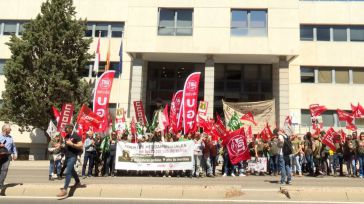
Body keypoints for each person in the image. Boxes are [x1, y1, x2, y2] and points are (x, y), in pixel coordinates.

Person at [57, 124, 84, 197]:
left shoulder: (76, 136)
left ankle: (65, 189)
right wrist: (60, 147)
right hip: (67, 156)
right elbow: (66, 147)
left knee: (68, 171)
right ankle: (78, 182)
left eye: (66, 128)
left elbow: (81, 145)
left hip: (73, 156)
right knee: (72, 170)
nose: (65, 129)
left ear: (71, 128)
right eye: (65, 128)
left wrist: (72, 144)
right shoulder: (67, 136)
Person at [0, 124, 17, 190]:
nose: (11, 130)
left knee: (4, 169)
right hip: (0, 155)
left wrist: (15, 154)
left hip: (7, 155)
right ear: (5, 129)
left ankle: (1, 184)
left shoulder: (10, 137)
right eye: (10, 129)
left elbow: (13, 146)